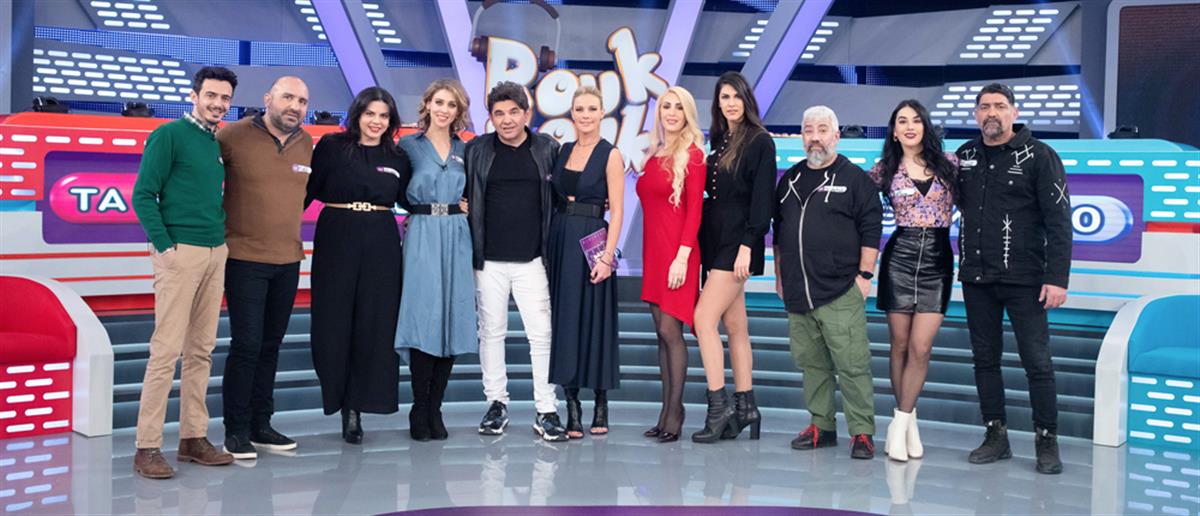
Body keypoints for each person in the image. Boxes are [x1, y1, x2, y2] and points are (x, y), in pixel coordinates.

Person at [130, 66, 239, 479]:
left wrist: (218, 245)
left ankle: (193, 438)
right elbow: (143, 194)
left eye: (225, 98)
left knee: (201, 350)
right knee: (166, 352)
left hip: (214, 252)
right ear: (193, 95)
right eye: (211, 95)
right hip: (180, 253)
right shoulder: (169, 135)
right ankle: (147, 446)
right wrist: (165, 247)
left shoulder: (214, 142)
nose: (218, 103)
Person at [957, 82, 1071, 475]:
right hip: (976, 278)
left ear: (1014, 111)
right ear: (976, 114)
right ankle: (996, 436)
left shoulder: (1041, 156)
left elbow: (1060, 222)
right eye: (985, 106)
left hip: (1026, 280)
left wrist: (1057, 278)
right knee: (984, 360)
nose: (992, 113)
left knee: (1037, 362)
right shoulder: (965, 155)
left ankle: (1046, 440)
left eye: (1000, 106)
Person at [774, 105, 882, 460]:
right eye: (809, 130)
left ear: (836, 135)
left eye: (822, 130)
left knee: (852, 365)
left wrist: (864, 276)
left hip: (840, 290)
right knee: (812, 364)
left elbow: (871, 229)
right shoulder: (789, 180)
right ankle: (822, 425)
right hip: (798, 291)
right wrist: (781, 278)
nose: (815, 137)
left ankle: (862, 432)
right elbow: (779, 235)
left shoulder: (854, 179)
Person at [305, 86, 410, 444]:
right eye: (370, 114)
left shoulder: (398, 157)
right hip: (337, 235)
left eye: (383, 116)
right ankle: (337, 397)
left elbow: (413, 198)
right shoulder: (332, 147)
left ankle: (356, 408)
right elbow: (306, 190)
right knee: (333, 320)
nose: (376, 122)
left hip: (381, 240)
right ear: (357, 115)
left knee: (375, 322)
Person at [464, 81, 567, 442]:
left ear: (527, 114)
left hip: (534, 259)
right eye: (498, 113)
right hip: (487, 260)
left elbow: (562, 197)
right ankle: (496, 404)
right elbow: (462, 193)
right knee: (491, 333)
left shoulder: (548, 149)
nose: (506, 120)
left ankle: (546, 409)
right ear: (490, 117)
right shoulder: (476, 150)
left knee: (541, 335)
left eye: (513, 112)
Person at [217, 76, 312, 460]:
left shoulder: (306, 143)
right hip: (244, 259)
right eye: (288, 97)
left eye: (302, 101)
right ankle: (236, 430)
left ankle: (261, 425)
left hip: (288, 260)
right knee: (246, 345)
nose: (295, 106)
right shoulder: (232, 136)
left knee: (271, 346)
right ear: (268, 98)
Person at [868, 99, 960, 462]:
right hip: (899, 258)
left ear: (926, 126)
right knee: (900, 345)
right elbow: (857, 206)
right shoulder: (884, 170)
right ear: (894, 131)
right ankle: (908, 423)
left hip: (938, 259)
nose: (910, 127)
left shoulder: (950, 164)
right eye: (902, 121)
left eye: (916, 120)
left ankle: (899, 424)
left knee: (921, 347)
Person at [692, 71, 776, 443]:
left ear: (747, 99)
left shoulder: (760, 140)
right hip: (716, 240)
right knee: (735, 326)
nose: (730, 103)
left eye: (736, 96)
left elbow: (762, 201)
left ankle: (719, 407)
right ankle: (746, 407)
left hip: (737, 244)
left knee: (703, 320)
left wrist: (747, 245)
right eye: (724, 97)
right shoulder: (720, 138)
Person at [394, 79, 477, 441]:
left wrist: (466, 207)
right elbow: (395, 189)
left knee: (452, 318)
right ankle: (419, 407)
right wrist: (415, 210)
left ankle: (435, 407)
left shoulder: (465, 149)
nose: (444, 110)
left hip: (457, 234)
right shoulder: (408, 146)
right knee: (423, 317)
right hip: (423, 233)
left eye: (452, 105)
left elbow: (476, 189)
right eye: (439, 102)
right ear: (427, 104)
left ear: (459, 112)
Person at [546, 86, 625, 438]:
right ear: (572, 113)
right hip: (561, 238)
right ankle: (572, 406)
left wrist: (608, 257)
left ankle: (601, 403)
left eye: (592, 108)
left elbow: (618, 211)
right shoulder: (562, 151)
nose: (586, 115)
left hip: (594, 240)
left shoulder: (611, 155)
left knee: (596, 320)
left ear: (602, 112)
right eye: (580, 109)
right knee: (566, 320)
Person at [636, 86, 706, 443]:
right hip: (653, 253)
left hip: (679, 256)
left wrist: (682, 256)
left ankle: (676, 412)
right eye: (666, 106)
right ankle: (664, 413)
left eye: (679, 107)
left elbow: (694, 212)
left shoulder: (693, 155)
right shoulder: (654, 153)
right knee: (661, 335)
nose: (672, 112)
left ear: (687, 114)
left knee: (670, 331)